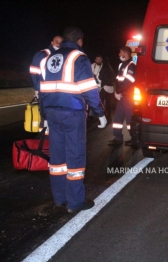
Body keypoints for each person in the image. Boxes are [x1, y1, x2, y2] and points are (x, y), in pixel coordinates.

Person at [39, 26, 107, 214]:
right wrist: (100, 113)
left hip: (52, 112)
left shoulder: (50, 58)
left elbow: (42, 89)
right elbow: (89, 89)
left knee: (57, 158)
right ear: (80, 40)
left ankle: (59, 198)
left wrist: (43, 115)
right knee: (75, 155)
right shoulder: (79, 57)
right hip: (72, 112)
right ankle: (75, 202)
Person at [29, 35, 63, 134]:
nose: (58, 44)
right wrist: (37, 88)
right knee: (45, 115)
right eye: (56, 41)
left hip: (57, 92)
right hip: (44, 91)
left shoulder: (61, 54)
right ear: (52, 42)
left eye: (61, 42)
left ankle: (49, 137)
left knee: (54, 115)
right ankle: (43, 139)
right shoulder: (42, 54)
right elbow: (34, 71)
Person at [108, 46, 136, 147]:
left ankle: (135, 139)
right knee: (118, 118)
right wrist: (117, 91)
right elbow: (118, 80)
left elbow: (128, 81)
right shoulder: (121, 65)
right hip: (122, 96)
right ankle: (118, 138)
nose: (119, 55)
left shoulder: (131, 65)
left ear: (125, 53)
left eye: (120, 53)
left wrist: (118, 91)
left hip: (128, 96)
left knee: (129, 119)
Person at [98, 57, 115, 123]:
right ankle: (109, 118)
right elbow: (114, 78)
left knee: (101, 103)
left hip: (104, 88)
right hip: (111, 89)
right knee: (108, 103)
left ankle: (103, 117)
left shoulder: (103, 68)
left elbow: (100, 77)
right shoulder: (111, 69)